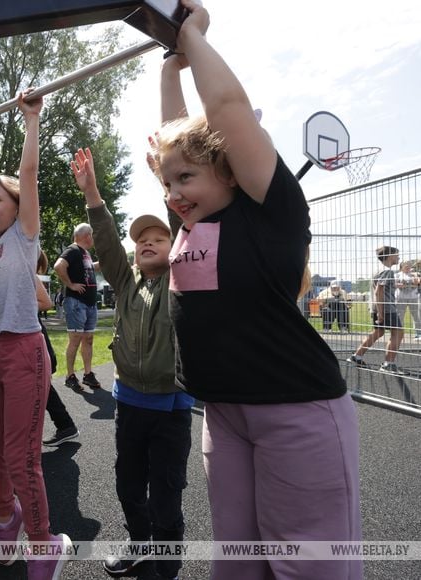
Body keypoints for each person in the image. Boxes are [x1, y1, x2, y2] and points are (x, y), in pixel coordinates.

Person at [149, 2, 361, 579]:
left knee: (308, 569)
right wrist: (170, 67)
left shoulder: (272, 209)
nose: (172, 192)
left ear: (228, 167)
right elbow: (176, 141)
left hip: (296, 409)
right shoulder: (190, 223)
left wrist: (192, 34)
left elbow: (226, 110)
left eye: (185, 179)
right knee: (238, 565)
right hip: (224, 412)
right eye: (167, 183)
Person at [72, 147, 192, 580]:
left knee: (166, 491)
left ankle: (167, 561)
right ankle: (140, 545)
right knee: (127, 484)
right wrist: (93, 196)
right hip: (131, 406)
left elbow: (186, 227)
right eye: (140, 239)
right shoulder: (126, 284)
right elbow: (104, 238)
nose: (146, 242)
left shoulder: (184, 279)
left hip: (171, 410)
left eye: (157, 239)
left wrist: (166, 180)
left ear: (174, 247)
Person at [0, 95, 72, 579]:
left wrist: (31, 120)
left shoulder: (21, 237)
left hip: (24, 352)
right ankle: (5, 521)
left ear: (17, 210)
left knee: (20, 454)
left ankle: (43, 542)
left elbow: (24, 178)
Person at [36, 251, 81, 448]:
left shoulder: (25, 276)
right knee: (44, 389)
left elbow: (47, 302)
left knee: (42, 388)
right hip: (38, 345)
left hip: (36, 346)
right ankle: (65, 425)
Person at [54, 223, 101, 391]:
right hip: (76, 302)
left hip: (89, 303)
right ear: (87, 235)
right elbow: (59, 266)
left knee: (88, 339)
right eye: (92, 235)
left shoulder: (85, 254)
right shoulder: (73, 250)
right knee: (75, 339)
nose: (93, 238)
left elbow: (89, 269)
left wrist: (101, 263)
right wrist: (71, 285)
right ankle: (69, 375)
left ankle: (88, 374)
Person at [348, 246, 403, 372]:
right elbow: (379, 291)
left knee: (379, 332)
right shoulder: (387, 271)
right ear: (390, 256)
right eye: (397, 254)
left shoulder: (378, 270)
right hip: (386, 308)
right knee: (398, 333)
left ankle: (356, 356)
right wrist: (381, 313)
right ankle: (388, 364)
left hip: (377, 307)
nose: (399, 257)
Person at [395, 260, 420, 338]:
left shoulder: (415, 274)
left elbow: (418, 283)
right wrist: (410, 284)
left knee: (416, 316)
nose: (408, 266)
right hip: (400, 298)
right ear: (401, 267)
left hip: (413, 297)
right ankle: (399, 333)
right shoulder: (397, 275)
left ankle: (418, 333)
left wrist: (415, 275)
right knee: (400, 316)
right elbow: (395, 284)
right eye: (405, 265)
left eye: (409, 265)